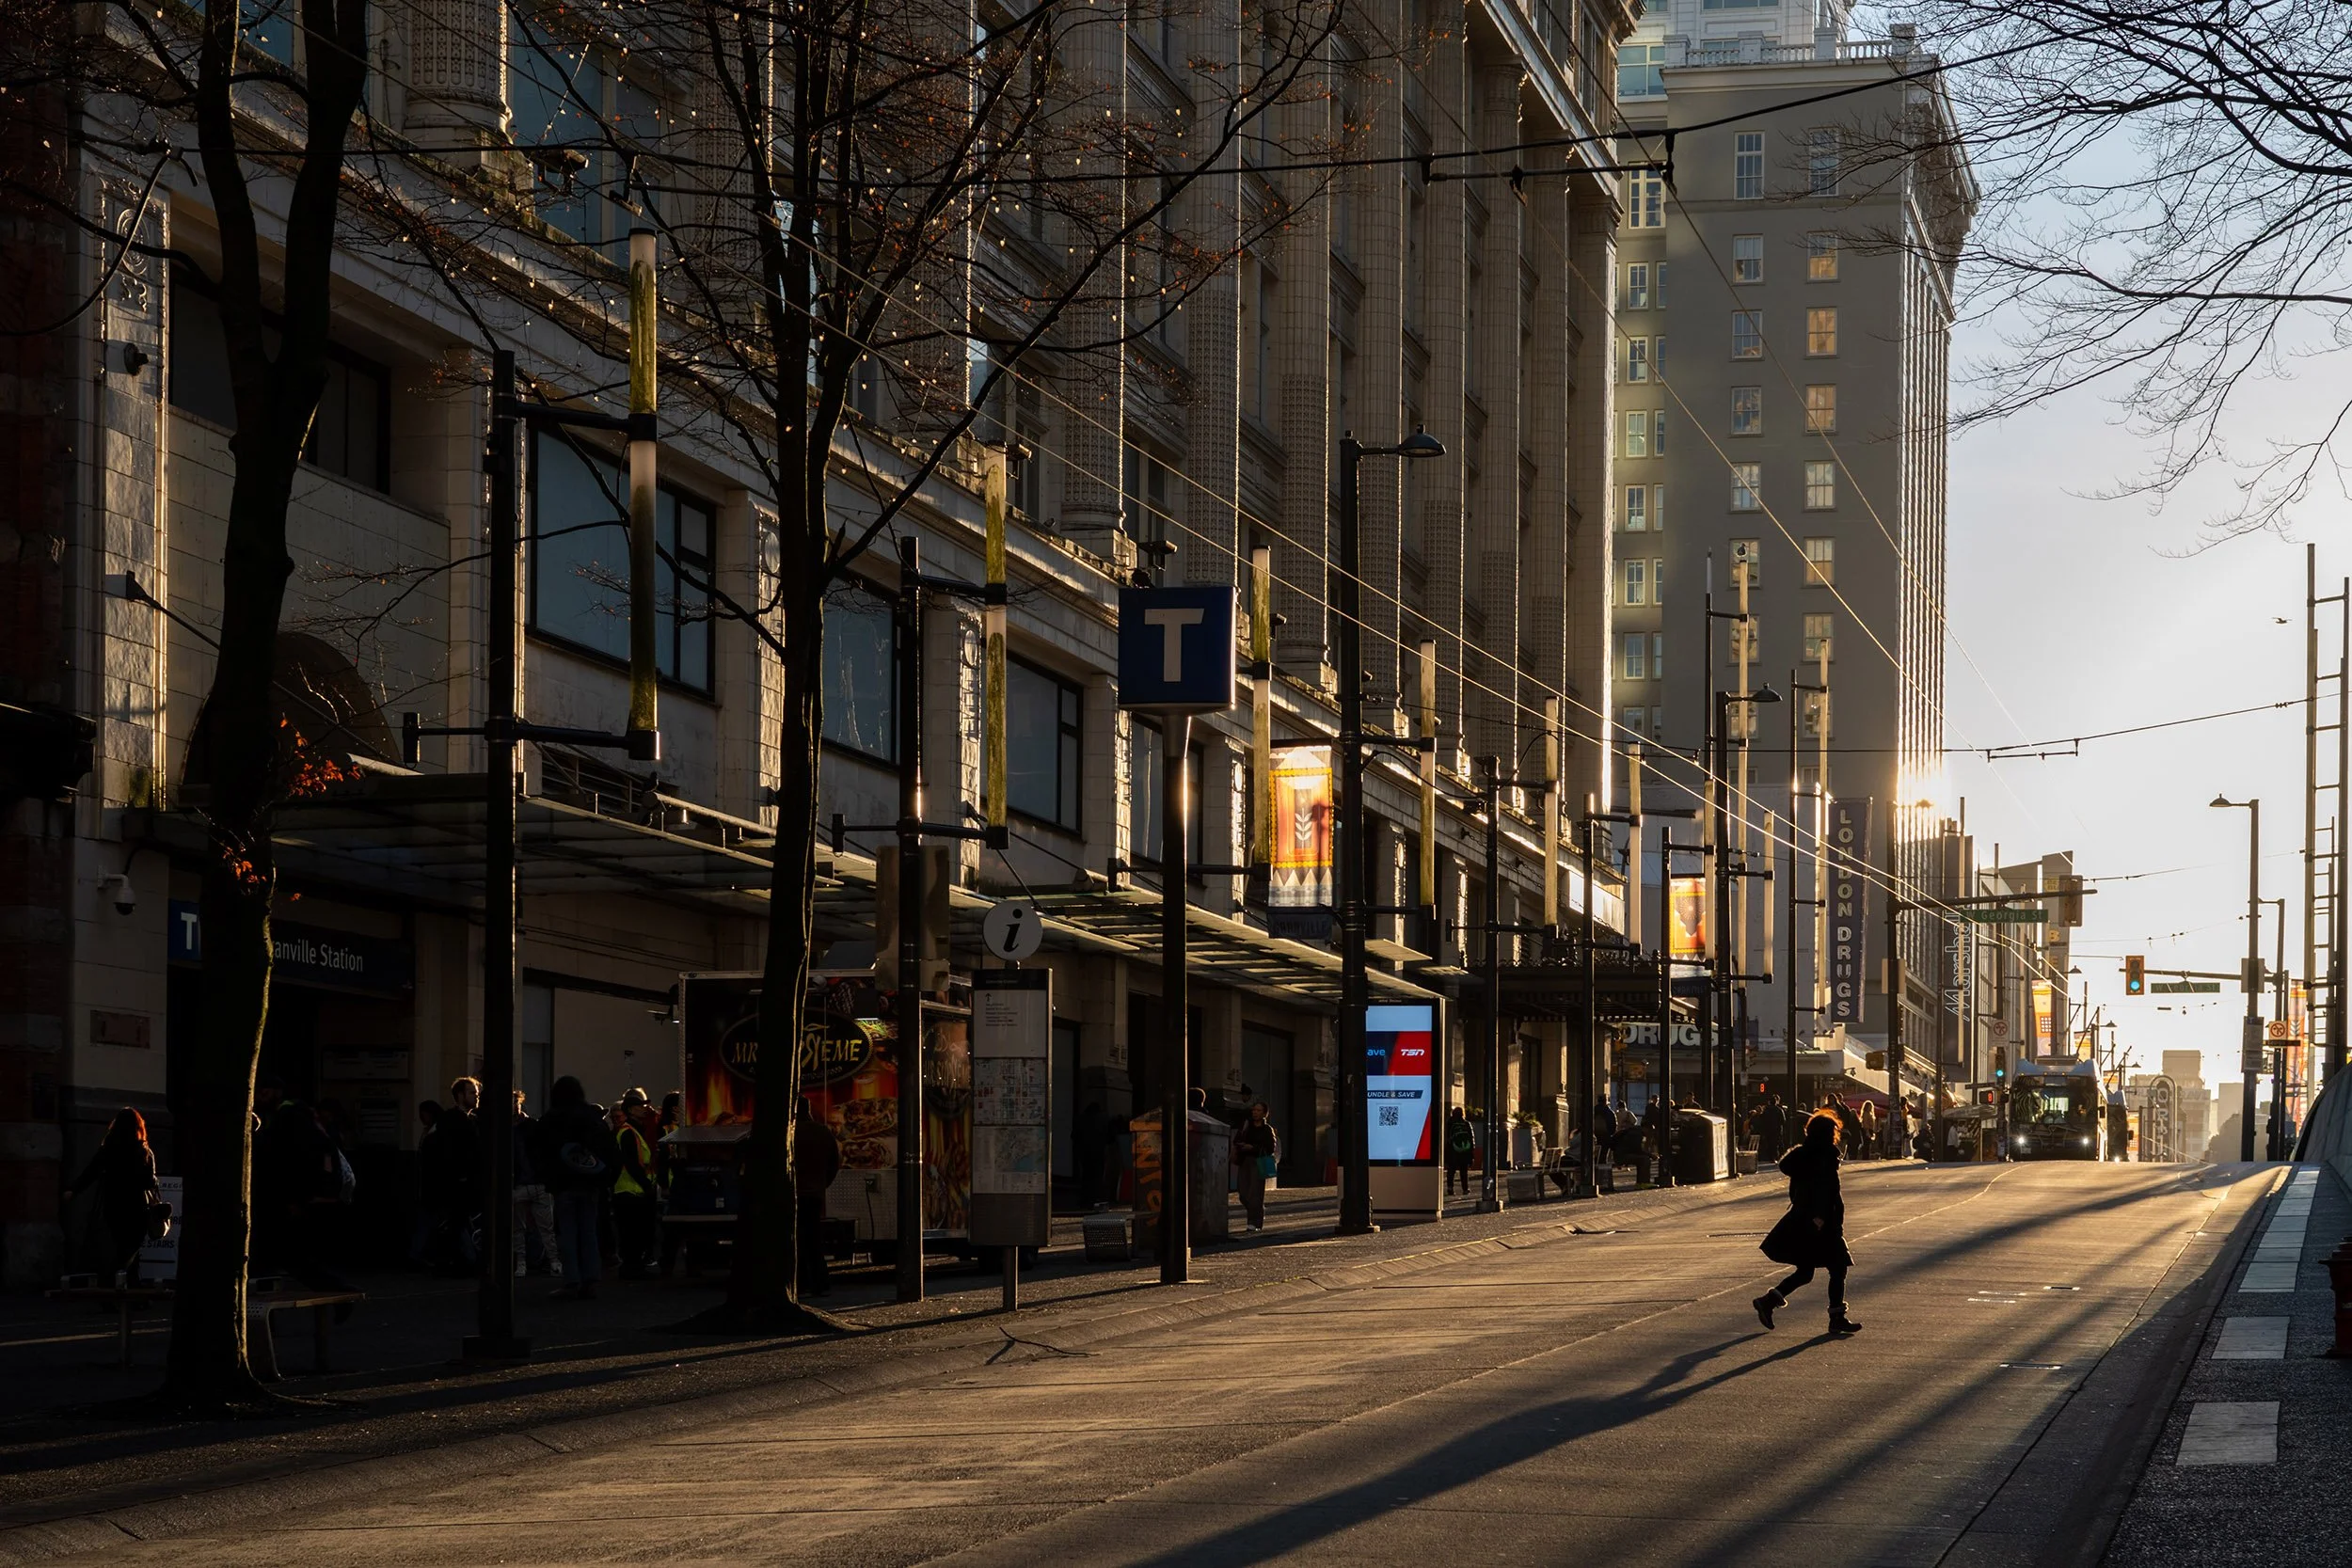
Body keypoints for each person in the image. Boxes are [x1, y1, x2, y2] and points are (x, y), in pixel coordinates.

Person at [1754, 1108, 1861, 1336]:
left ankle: (1768, 1302)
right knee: (1838, 1267)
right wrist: (1820, 1216)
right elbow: (1823, 1189)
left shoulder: (1805, 1155)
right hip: (1821, 1221)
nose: (1836, 1135)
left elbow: (1802, 1183)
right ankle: (1837, 1317)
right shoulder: (1823, 1156)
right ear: (1827, 1134)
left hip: (1806, 1219)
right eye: (1833, 1131)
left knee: (1806, 1271)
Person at [537, 1076, 616, 1298]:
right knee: (589, 1231)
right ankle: (591, 1278)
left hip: (563, 1184)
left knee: (567, 1233)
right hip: (589, 1183)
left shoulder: (551, 1120)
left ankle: (572, 1279)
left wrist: (549, 1178)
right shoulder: (591, 1118)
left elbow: (539, 1150)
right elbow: (608, 1149)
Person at [63, 1107, 161, 1282]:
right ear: (138, 1127)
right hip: (136, 1207)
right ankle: (117, 1282)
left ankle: (124, 1285)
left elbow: (91, 1172)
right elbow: (149, 1182)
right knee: (131, 1249)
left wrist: (73, 1190)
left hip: (113, 1205)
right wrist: (154, 1180)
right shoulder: (144, 1152)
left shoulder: (108, 1149)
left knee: (121, 1245)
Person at [794, 1095, 842, 1295]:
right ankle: (821, 1283)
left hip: (794, 1194)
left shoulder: (790, 1133)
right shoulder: (822, 1132)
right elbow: (834, 1162)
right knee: (814, 1240)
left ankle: (801, 1283)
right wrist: (823, 1183)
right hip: (815, 1194)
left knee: (796, 1240)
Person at [511, 1090, 560, 1278]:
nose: (514, 1106)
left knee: (528, 1228)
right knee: (539, 1228)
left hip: (527, 1183)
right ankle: (550, 1261)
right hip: (530, 1183)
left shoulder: (524, 1127)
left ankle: (527, 1262)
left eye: (515, 1102)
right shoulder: (532, 1126)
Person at [610, 1100, 660, 1279]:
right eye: (640, 1106)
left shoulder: (635, 1131)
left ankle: (634, 1267)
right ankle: (632, 1268)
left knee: (635, 1232)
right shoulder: (628, 1132)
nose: (644, 1109)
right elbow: (631, 1163)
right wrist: (646, 1184)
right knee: (632, 1233)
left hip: (633, 1189)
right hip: (630, 1190)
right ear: (630, 1110)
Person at [1233, 1101, 1279, 1231]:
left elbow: (1271, 1148)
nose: (1255, 1113)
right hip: (1245, 1160)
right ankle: (1257, 1211)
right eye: (1254, 1110)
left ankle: (1254, 1222)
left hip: (1259, 1161)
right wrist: (1241, 1146)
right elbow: (1236, 1140)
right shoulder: (1246, 1126)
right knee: (1243, 1193)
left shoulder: (1267, 1129)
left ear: (1264, 1114)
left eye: (1258, 1110)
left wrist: (1253, 1148)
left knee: (1255, 1193)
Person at [1443, 1106, 1475, 1196]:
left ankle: (1450, 1188)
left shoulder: (1449, 1123)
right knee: (1464, 1171)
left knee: (1451, 1170)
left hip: (1453, 1150)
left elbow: (1447, 1137)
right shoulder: (1466, 1124)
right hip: (1465, 1150)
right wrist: (1471, 1153)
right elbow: (1471, 1139)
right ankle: (1465, 1189)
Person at [1750, 1092, 1789, 1161]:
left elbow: (1762, 1120)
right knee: (1776, 1144)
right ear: (1776, 1102)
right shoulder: (1779, 1110)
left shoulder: (1766, 1110)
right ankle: (1776, 1157)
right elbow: (1783, 1121)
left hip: (1768, 1130)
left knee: (1769, 1144)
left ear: (1769, 1102)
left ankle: (1771, 1157)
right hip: (1777, 1130)